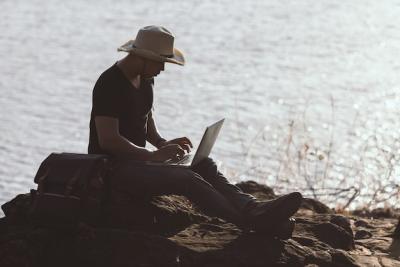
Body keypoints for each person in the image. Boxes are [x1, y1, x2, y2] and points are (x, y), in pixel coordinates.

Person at [88, 25, 302, 236]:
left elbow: (145, 118)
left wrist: (163, 144)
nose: (163, 69)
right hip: (112, 170)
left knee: (203, 165)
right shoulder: (110, 83)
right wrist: (153, 156)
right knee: (187, 179)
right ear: (142, 57)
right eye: (161, 62)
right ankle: (250, 222)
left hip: (139, 163)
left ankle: (252, 208)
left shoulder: (146, 78)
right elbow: (109, 140)